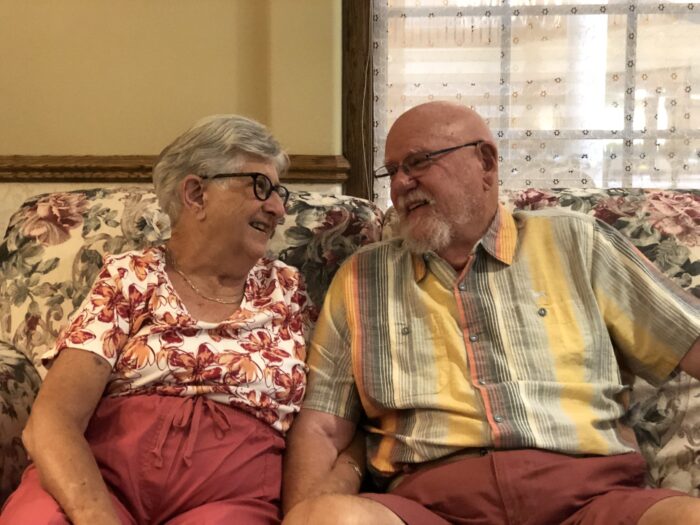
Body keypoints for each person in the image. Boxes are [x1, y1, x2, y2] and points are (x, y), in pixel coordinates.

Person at [282, 101, 700, 525]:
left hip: (593, 499)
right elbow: (321, 426)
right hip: (431, 507)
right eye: (393, 171)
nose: (402, 183)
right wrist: (302, 515)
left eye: (418, 162)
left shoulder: (576, 242)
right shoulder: (362, 277)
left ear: (485, 162)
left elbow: (692, 342)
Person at [0, 115, 316, 525]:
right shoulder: (129, 275)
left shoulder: (288, 291)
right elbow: (53, 418)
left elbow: (321, 421)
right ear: (196, 193)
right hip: (101, 482)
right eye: (260, 187)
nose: (277, 208)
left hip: (228, 500)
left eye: (279, 193)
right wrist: (97, 517)